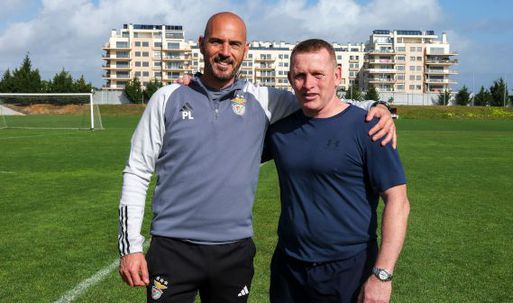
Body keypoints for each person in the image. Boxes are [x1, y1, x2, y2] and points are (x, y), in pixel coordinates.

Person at [117, 12, 396, 303]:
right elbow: (137, 171)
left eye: (234, 44)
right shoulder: (167, 98)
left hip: (233, 252)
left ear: (245, 50)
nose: (225, 52)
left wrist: (376, 106)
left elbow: (321, 99)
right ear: (201, 44)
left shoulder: (263, 101)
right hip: (172, 248)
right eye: (217, 42)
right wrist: (131, 247)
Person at [263, 39, 410, 303]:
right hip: (289, 269)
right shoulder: (279, 131)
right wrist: (194, 86)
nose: (308, 85)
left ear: (337, 75)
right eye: (300, 75)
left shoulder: (369, 128)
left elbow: (398, 201)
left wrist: (382, 275)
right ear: (290, 78)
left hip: (348, 270)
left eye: (318, 74)